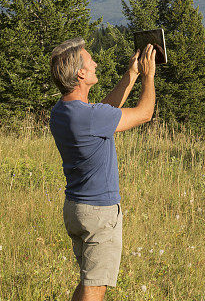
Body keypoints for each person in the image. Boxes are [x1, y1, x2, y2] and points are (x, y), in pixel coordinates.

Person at [49, 39, 157, 301]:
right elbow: (144, 113)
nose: (95, 63)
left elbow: (105, 110)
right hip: (99, 213)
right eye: (89, 60)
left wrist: (131, 75)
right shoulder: (90, 117)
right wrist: (148, 77)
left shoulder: (62, 112)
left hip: (76, 209)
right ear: (80, 73)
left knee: (88, 282)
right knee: (95, 288)